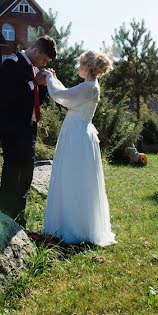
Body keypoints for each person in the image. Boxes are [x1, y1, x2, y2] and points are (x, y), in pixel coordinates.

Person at [42, 50, 116, 246]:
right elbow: (70, 94)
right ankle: (82, 223)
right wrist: (55, 80)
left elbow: (61, 96)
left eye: (80, 63)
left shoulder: (87, 87)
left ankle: (72, 226)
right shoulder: (90, 86)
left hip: (76, 136)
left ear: (87, 66)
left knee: (72, 178)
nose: (78, 67)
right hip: (82, 135)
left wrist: (49, 78)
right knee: (81, 179)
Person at [0, 36, 56, 227]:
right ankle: (6, 213)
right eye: (44, 60)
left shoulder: (35, 69)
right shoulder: (11, 64)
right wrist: (34, 83)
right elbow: (7, 95)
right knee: (12, 170)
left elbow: (36, 99)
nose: (44, 64)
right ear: (36, 51)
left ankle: (19, 215)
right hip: (12, 127)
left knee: (27, 171)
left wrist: (44, 85)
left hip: (29, 127)